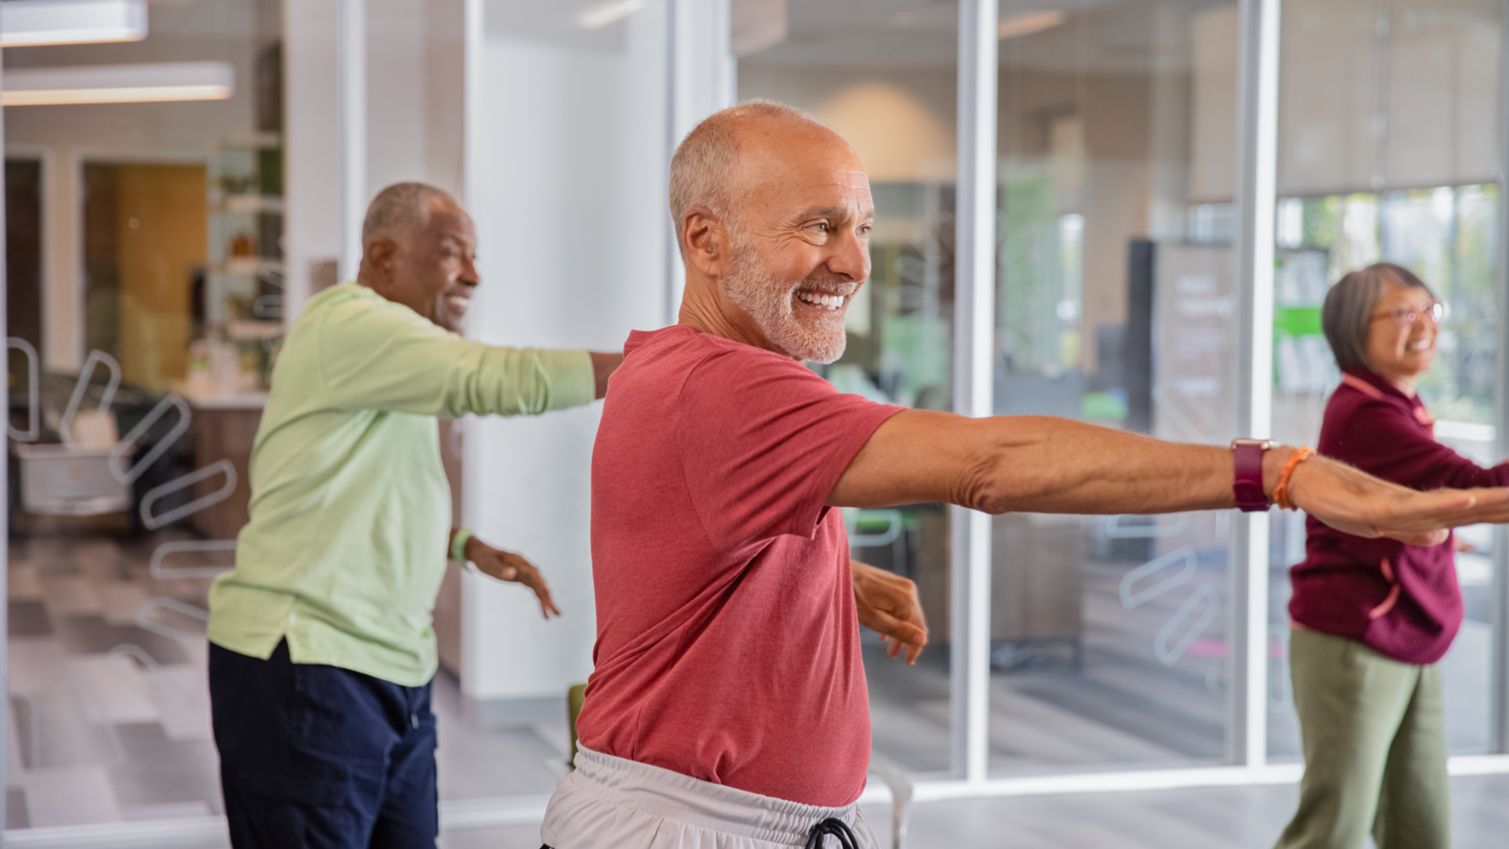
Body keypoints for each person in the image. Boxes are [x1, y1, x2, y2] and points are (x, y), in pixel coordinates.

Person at [538, 102, 1509, 849]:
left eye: (863, 227)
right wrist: (1277, 472)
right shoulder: (726, 389)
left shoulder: (677, 368)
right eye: (819, 225)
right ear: (706, 241)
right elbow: (993, 464)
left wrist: (832, 577)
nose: (854, 261)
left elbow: (687, 554)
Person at [205, 182, 620, 849]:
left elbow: (342, 484)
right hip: (305, 661)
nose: (474, 275)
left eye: (476, 257)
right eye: (454, 252)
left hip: (391, 669)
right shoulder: (347, 321)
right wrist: (655, 365)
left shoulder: (385, 359)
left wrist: (457, 544)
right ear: (383, 255)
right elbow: (493, 378)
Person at [1273, 263, 1509, 849]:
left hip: (1407, 638)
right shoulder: (1366, 416)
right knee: (1334, 829)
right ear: (1356, 330)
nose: (1425, 324)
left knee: (1420, 827)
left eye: (1430, 309)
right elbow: (1475, 489)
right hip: (1355, 644)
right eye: (1404, 313)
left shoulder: (1400, 405)